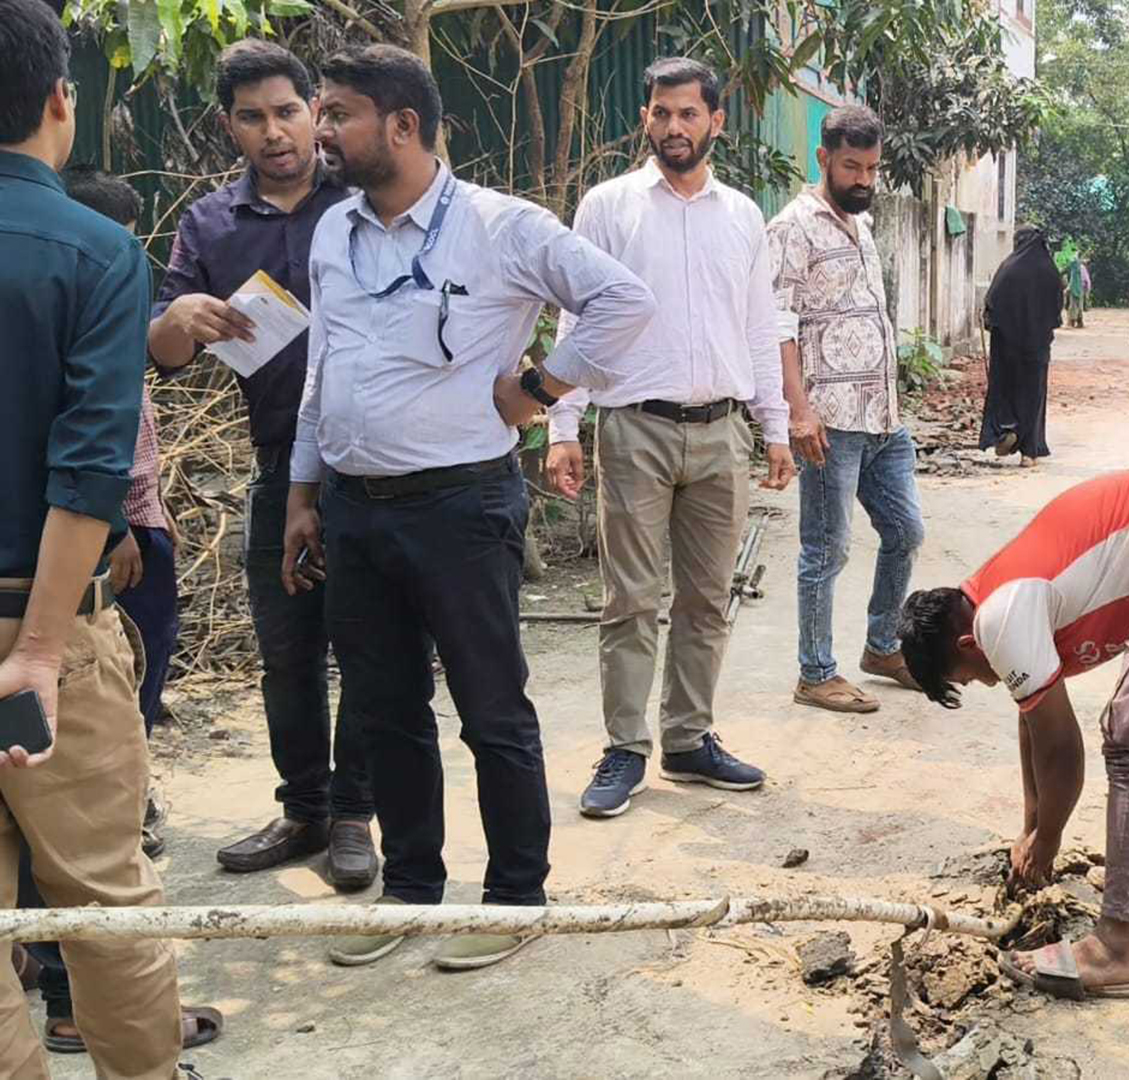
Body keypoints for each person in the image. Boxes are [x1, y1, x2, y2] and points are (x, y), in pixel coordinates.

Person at [291, 44, 656, 971]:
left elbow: (622, 301)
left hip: (460, 506)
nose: (322, 131)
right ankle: (412, 887)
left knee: (491, 707)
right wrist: (303, 490)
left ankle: (516, 892)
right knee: (385, 706)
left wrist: (538, 386)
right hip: (354, 507)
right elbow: (319, 369)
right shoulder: (335, 231)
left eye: (338, 114)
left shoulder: (500, 227)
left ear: (402, 125)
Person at [0, 0, 188, 1071]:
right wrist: (35, 645)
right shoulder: (96, 251)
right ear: (60, 100)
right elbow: (88, 467)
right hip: (44, 635)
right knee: (104, 897)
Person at [899, 467, 1129, 1000]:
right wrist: (1031, 826)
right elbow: (1032, 720)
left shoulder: (1000, 616)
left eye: (968, 677)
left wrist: (1047, 842)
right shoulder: (995, 598)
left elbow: (1061, 747)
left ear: (962, 643)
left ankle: (1118, 949)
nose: (983, 682)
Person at [148, 40, 375, 891]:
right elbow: (160, 349)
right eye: (254, 117)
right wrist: (181, 318)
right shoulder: (209, 225)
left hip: (374, 457)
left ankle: (356, 813)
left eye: (288, 111)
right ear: (229, 126)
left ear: (314, 109)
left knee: (366, 643)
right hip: (280, 459)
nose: (276, 132)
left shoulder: (361, 196)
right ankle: (305, 808)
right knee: (287, 647)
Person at [546, 57, 793, 818]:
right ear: (646, 118)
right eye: (661, 113)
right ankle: (626, 747)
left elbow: (758, 327)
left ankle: (689, 739)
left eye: (689, 114)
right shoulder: (610, 207)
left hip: (721, 433)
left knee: (708, 599)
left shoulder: (744, 216)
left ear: (717, 121)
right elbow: (577, 317)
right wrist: (562, 424)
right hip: (635, 429)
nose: (674, 127)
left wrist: (774, 428)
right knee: (628, 598)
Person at [767, 104, 925, 715]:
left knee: (906, 532)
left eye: (872, 168)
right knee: (825, 549)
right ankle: (815, 672)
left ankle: (883, 646)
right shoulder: (792, 227)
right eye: (852, 166)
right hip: (829, 420)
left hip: (883, 415)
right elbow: (777, 325)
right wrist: (797, 412)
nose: (864, 179)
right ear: (823, 159)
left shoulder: (860, 224)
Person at [63, 163, 176, 859]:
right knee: (127, 660)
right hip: (114, 527)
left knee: (148, 654)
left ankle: (131, 791)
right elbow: (98, 430)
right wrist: (127, 524)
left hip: (136, 516)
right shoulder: (85, 298)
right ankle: (120, 803)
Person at [978, 226, 1061, 469]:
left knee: (1005, 389)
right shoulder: (1050, 271)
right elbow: (1056, 312)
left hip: (1007, 348)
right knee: (1033, 395)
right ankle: (1029, 452)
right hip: (1036, 347)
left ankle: (1006, 431)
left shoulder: (1008, 268)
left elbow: (991, 305)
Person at [1065, 246, 1089, 330]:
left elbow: (1073, 278)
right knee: (1079, 305)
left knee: (1073, 306)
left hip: (1075, 287)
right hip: (1080, 288)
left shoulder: (1075, 265)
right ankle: (1079, 322)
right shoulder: (1079, 266)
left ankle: (1071, 322)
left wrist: (1068, 288)